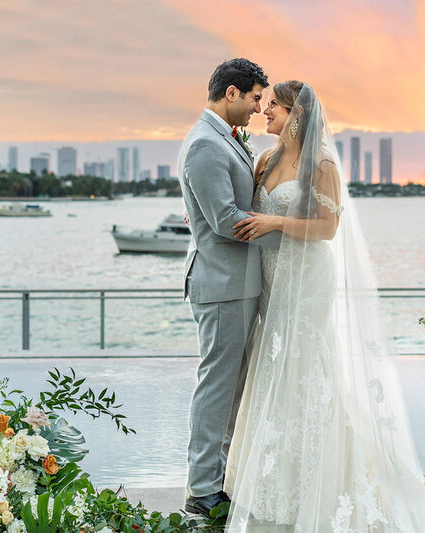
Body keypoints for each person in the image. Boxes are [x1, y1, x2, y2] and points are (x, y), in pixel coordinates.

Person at [224, 81, 425, 532]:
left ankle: (324, 475)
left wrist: (275, 219)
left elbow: (329, 229)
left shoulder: (322, 164)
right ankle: (273, 474)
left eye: (273, 104)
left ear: (296, 115)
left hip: (308, 277)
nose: (265, 111)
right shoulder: (265, 160)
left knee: (308, 364)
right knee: (274, 365)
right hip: (272, 277)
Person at [177, 58, 282, 518]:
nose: (260, 107)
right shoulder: (204, 144)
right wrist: (296, 233)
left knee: (231, 389)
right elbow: (224, 220)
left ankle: (214, 482)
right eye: (256, 97)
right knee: (217, 388)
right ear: (233, 93)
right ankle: (201, 489)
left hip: (239, 282)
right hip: (221, 285)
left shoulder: (225, 139)